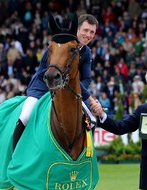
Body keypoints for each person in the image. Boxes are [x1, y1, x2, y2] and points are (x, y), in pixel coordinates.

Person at [12, 13, 99, 148]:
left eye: (92, 32)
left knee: (92, 120)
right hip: (42, 87)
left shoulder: (86, 52)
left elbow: (87, 79)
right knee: (25, 116)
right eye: (85, 30)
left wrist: (75, 88)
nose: (88, 35)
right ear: (78, 30)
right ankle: (15, 154)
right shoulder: (59, 44)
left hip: (70, 91)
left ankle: (84, 157)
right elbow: (43, 72)